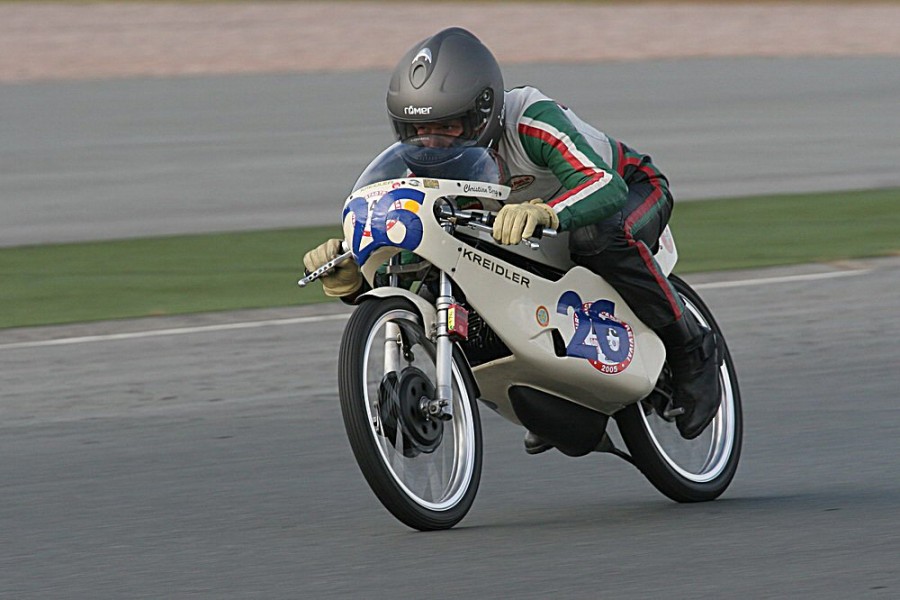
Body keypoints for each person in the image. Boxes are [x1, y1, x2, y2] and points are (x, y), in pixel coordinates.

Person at [303, 27, 721, 447]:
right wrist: (355, 280)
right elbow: (420, 256)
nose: (432, 142)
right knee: (457, 269)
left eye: (447, 126)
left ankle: (692, 350)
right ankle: (548, 382)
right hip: (538, 230)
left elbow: (604, 184)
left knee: (596, 238)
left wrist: (545, 211)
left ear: (483, 111)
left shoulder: (530, 118)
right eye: (418, 131)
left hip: (627, 189)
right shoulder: (428, 166)